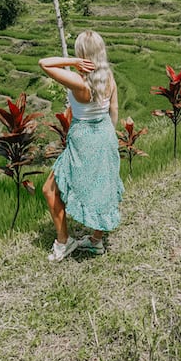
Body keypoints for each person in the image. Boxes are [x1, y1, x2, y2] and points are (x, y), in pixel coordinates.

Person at [39, 31, 124, 262]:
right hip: (105, 134)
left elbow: (44, 63)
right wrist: (109, 136)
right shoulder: (108, 77)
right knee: (102, 188)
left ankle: (63, 242)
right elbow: (113, 111)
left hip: (83, 137)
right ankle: (96, 242)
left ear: (83, 55)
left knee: (50, 189)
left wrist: (72, 62)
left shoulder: (79, 81)